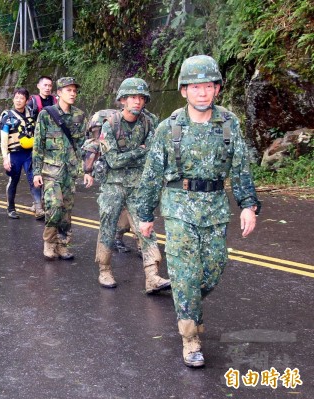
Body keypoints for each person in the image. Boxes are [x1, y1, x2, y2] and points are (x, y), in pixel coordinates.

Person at [137, 55, 260, 368]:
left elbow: (241, 166)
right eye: (195, 87)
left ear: (216, 89)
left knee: (213, 271)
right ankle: (190, 339)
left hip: (216, 208)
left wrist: (248, 205)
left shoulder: (228, 123)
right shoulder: (169, 129)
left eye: (208, 86)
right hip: (179, 207)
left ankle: (188, 303)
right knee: (185, 274)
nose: (202, 92)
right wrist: (145, 215)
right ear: (183, 91)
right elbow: (152, 174)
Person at [83, 78, 170, 293]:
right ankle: (104, 269)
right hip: (113, 185)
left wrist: (136, 154)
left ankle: (152, 275)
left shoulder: (150, 122)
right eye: (133, 97)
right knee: (108, 226)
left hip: (138, 185)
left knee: (145, 228)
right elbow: (114, 161)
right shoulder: (110, 124)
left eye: (141, 98)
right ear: (122, 100)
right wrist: (140, 151)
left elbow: (155, 152)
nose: (138, 101)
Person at [33, 77, 93, 260]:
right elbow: (38, 144)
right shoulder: (46, 114)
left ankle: (63, 244)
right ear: (58, 93)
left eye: (75, 90)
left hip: (70, 171)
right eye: (68, 90)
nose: (73, 93)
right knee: (54, 207)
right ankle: (49, 243)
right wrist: (36, 172)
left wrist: (88, 171)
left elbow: (85, 145)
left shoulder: (80, 116)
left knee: (66, 210)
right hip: (51, 171)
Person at [0, 87, 43, 220]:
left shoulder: (31, 113)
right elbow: (4, 139)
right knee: (14, 180)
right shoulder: (7, 116)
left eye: (21, 98)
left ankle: (39, 207)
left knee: (34, 178)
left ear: (26, 100)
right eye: (16, 98)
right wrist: (5, 158)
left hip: (29, 153)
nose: (18, 101)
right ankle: (11, 208)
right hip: (15, 154)